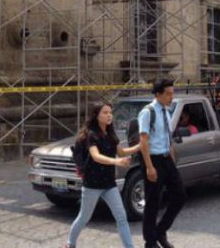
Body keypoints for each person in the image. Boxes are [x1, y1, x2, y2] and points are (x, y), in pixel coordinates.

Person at [65, 102, 141, 248]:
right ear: (97, 115)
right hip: (92, 184)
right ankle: (70, 243)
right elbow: (96, 156)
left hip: (109, 184)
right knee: (84, 218)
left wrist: (140, 146)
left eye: (110, 112)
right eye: (105, 112)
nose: (109, 115)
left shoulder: (110, 134)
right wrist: (116, 162)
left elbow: (122, 152)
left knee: (121, 217)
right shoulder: (92, 135)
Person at [138, 79, 186, 248]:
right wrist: (149, 166)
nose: (171, 96)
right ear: (158, 94)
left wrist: (172, 160)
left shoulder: (166, 111)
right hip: (153, 160)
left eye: (173, 93)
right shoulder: (147, 112)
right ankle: (150, 242)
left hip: (166, 159)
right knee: (153, 203)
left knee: (180, 196)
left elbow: (168, 138)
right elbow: (143, 141)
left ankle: (160, 230)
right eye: (168, 93)